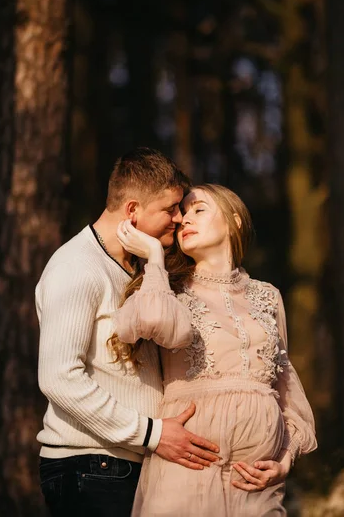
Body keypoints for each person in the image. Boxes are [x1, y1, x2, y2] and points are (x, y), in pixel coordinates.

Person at [112, 183, 317, 517]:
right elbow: (149, 321)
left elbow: (284, 390)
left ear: (234, 220)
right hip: (188, 470)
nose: (185, 220)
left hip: (255, 484)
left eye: (199, 209)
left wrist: (284, 460)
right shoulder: (169, 289)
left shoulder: (268, 295)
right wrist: (153, 257)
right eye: (182, 214)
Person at [35, 149, 219, 517]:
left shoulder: (138, 268)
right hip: (91, 466)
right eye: (170, 209)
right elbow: (58, 378)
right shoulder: (77, 267)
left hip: (125, 464)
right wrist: (151, 434)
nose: (179, 218)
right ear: (132, 210)